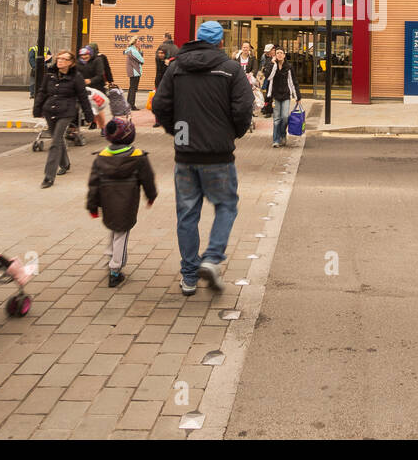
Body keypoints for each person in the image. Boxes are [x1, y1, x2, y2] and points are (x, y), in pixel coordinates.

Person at [151, 21, 253, 296]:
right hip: (218, 154)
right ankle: (211, 257)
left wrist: (176, 130)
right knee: (227, 206)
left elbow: (160, 104)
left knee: (187, 214)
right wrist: (233, 133)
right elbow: (244, 107)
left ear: (196, 39)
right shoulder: (231, 69)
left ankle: (189, 275)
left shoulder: (176, 68)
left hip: (185, 154)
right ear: (221, 42)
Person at [86, 116, 157, 288]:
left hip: (107, 201)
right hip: (127, 202)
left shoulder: (101, 157)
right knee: (122, 234)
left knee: (113, 228)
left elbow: (93, 183)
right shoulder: (138, 157)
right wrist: (151, 196)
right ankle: (115, 269)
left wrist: (92, 206)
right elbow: (148, 178)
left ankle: (110, 256)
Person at [33, 49, 95, 189]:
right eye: (59, 58)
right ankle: (65, 163)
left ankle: (49, 176)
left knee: (55, 142)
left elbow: (83, 97)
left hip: (66, 112)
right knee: (58, 138)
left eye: (64, 59)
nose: (60, 61)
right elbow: (42, 92)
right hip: (50, 111)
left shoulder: (76, 77)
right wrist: (37, 108)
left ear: (71, 63)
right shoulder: (50, 74)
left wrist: (89, 116)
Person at [265, 48, 302, 148]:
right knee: (277, 119)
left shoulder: (289, 67)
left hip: (286, 95)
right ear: (275, 55)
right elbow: (268, 77)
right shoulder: (272, 65)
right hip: (276, 95)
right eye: (277, 53)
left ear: (284, 55)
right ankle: (276, 140)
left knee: (285, 117)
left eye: (281, 53)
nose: (280, 55)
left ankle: (283, 134)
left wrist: (297, 96)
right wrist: (273, 65)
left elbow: (293, 82)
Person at [124, 40, 145, 108]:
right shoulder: (134, 51)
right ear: (134, 43)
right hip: (135, 71)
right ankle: (132, 105)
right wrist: (140, 52)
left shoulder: (131, 50)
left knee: (132, 88)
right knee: (133, 88)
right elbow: (142, 60)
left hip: (133, 71)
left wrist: (140, 50)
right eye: (138, 41)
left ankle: (129, 104)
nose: (140, 43)